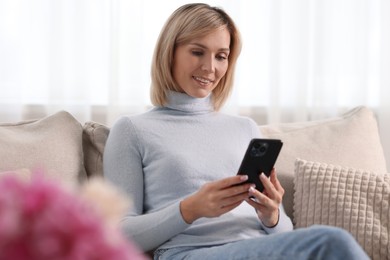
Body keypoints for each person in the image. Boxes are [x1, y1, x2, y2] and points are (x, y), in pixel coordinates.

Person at [103, 3, 369, 260]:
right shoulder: (132, 130)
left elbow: (284, 232)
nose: (210, 67)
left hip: (261, 247)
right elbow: (118, 235)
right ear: (169, 52)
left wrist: (272, 215)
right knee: (330, 242)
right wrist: (190, 209)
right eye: (197, 52)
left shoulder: (245, 128)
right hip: (191, 253)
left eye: (221, 56)